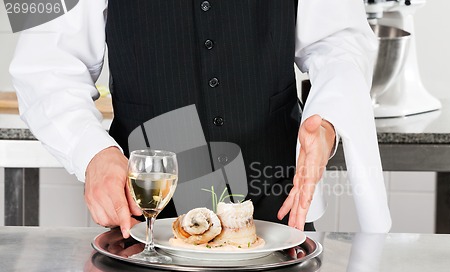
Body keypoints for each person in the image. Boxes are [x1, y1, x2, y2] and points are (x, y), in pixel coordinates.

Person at [10, 0, 392, 236]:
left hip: (277, 210)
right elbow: (43, 65)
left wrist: (327, 121)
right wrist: (93, 152)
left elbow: (339, 40)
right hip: (148, 219)